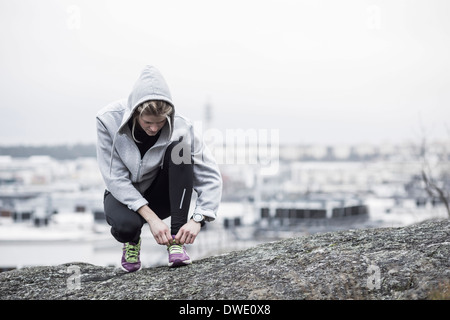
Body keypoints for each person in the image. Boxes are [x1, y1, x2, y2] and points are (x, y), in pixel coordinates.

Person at [96, 65, 222, 272]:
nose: (154, 128)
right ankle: (132, 242)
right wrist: (152, 220)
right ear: (135, 112)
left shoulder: (182, 126)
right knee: (126, 227)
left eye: (160, 122)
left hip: (160, 194)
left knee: (180, 150)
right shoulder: (107, 119)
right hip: (123, 196)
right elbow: (114, 178)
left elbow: (210, 176)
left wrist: (198, 219)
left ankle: (176, 242)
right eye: (148, 122)